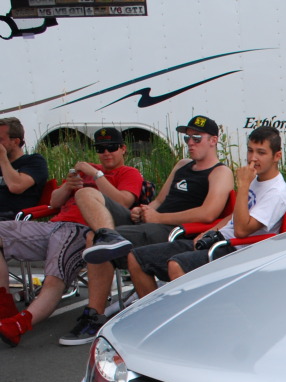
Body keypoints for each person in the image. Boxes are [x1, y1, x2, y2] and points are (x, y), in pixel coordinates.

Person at [60, 114, 232, 346]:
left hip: (172, 230)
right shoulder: (182, 165)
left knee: (93, 237)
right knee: (85, 194)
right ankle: (110, 237)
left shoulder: (220, 172)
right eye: (187, 138)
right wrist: (143, 210)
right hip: (150, 222)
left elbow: (208, 213)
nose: (190, 143)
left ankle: (94, 315)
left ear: (213, 140)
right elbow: (159, 200)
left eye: (196, 138)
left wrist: (158, 217)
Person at [0, 128, 142, 347]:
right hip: (54, 225)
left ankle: (20, 324)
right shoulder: (84, 172)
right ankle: (4, 305)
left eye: (112, 147)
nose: (106, 153)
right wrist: (68, 186)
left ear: (123, 149)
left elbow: (123, 201)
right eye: (100, 149)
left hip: (81, 229)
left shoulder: (128, 173)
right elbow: (54, 203)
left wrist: (97, 175)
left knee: (55, 274)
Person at [127, 126, 286, 298]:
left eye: (261, 153)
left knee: (177, 265)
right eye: (250, 151)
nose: (253, 158)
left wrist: (243, 186)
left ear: (277, 156)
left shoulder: (277, 193)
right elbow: (234, 216)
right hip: (218, 240)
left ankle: (189, 314)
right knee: (137, 258)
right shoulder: (257, 180)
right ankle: (157, 311)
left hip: (238, 251)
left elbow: (242, 230)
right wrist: (210, 232)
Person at [0, 117, 48, 220]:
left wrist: (2, 156)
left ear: (16, 142)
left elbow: (16, 186)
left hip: (11, 219)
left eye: (0, 140)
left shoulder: (34, 161)